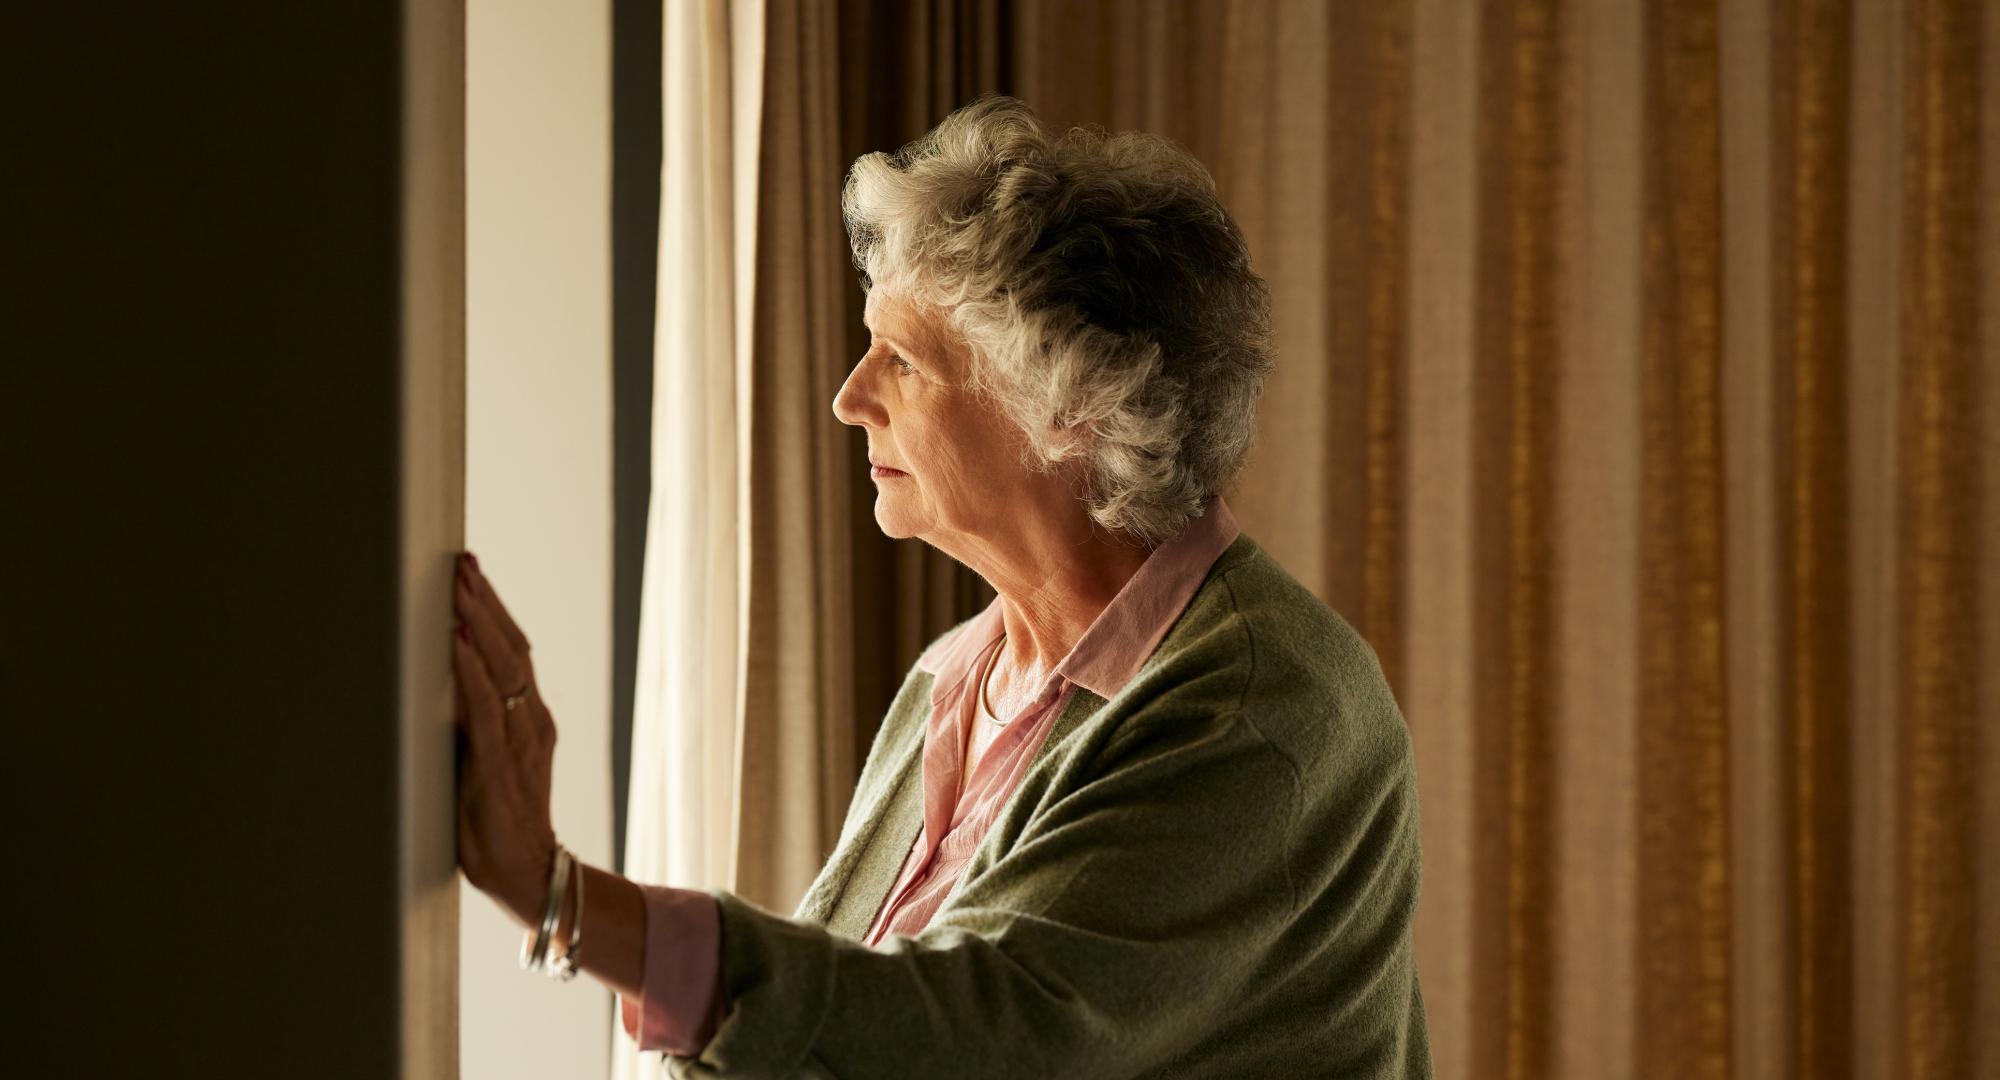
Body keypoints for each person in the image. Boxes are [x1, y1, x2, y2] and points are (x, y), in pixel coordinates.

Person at [452, 94, 1431, 1078]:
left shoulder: (1263, 714)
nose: (849, 397)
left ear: (1074, 406)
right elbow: (817, 1039)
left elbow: (974, 1040)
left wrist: (560, 898)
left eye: (904, 360)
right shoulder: (952, 677)